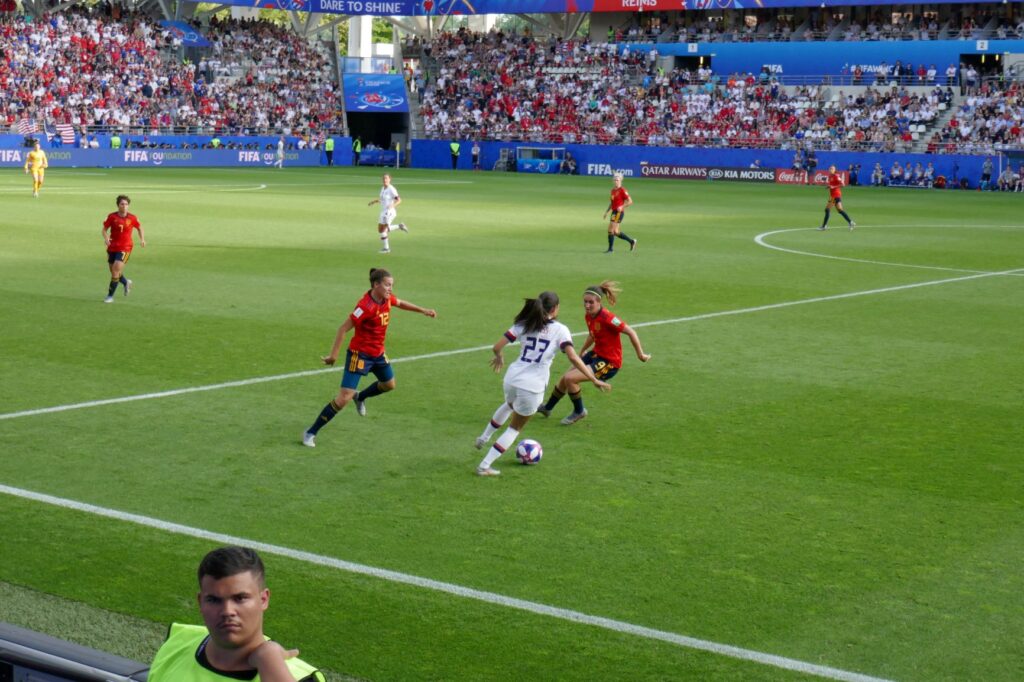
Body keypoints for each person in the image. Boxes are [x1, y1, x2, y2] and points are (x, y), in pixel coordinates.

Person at [474, 291, 610, 476]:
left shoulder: (525, 323)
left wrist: (499, 357)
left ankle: (483, 437)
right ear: (554, 309)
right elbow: (572, 357)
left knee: (509, 404)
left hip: (512, 377)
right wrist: (593, 378)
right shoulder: (560, 330)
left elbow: (497, 347)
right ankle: (484, 466)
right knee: (515, 428)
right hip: (532, 385)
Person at [302, 268, 436, 448]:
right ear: (376, 284)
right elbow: (343, 329)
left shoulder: (387, 299)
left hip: (378, 354)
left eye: (392, 285)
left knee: (389, 385)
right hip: (360, 355)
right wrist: (333, 355)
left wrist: (423, 310)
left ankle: (361, 397)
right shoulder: (364, 307)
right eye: (388, 285)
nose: (390, 289)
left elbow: (400, 302)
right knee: (343, 398)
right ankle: (310, 432)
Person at [148, 546, 324, 682]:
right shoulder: (176, 643)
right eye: (214, 600)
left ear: (263, 599)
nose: (227, 611)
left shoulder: (300, 677)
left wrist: (270, 664)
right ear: (200, 602)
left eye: (240, 598)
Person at [538, 281, 650, 425]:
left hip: (610, 362)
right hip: (595, 354)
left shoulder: (608, 318)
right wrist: (583, 350)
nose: (587, 305)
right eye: (585, 302)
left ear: (599, 302)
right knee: (564, 378)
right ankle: (547, 408)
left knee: (570, 379)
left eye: (591, 302)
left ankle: (579, 411)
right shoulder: (589, 315)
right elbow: (593, 334)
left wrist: (640, 354)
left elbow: (630, 331)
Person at [101, 195, 145, 303]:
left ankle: (110, 296)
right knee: (113, 272)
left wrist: (142, 239)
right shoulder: (112, 217)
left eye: (126, 204)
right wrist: (106, 238)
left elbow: (140, 228)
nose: (124, 206)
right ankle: (126, 282)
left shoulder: (132, 218)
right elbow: (104, 230)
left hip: (125, 247)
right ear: (118, 205)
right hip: (112, 246)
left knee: (115, 270)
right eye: (122, 204)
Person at [367, 173, 408, 254]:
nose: (385, 180)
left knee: (384, 231)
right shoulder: (383, 188)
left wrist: (392, 205)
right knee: (380, 230)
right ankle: (400, 226)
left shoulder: (391, 189)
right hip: (383, 211)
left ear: (390, 179)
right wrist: (374, 201)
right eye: (384, 178)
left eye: (386, 178)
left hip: (389, 212)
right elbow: (383, 200)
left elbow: (399, 200)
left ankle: (386, 249)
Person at [603, 173, 637, 253]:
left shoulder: (622, 190)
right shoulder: (613, 191)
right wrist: (607, 212)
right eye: (614, 180)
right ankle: (631, 241)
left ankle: (611, 249)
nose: (616, 181)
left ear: (621, 180)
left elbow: (630, 201)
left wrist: (622, 207)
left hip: (619, 212)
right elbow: (612, 203)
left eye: (617, 180)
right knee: (614, 231)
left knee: (613, 230)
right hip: (614, 212)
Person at [818, 165, 855, 231]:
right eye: (830, 168)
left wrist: (833, 187)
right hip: (834, 195)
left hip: (835, 195)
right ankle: (851, 222)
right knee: (840, 210)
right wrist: (829, 186)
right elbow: (832, 185)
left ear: (835, 170)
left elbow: (843, 184)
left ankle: (824, 226)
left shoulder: (836, 176)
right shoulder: (830, 176)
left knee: (827, 209)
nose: (830, 169)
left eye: (832, 169)